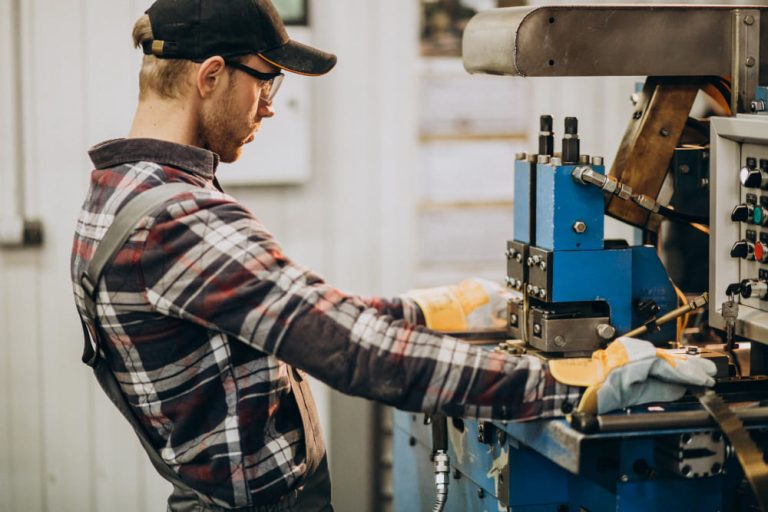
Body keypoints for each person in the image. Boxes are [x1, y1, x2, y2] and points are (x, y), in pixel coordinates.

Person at [70, 1, 717, 510]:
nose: (270, 103)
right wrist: (572, 384)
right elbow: (354, 351)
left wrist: (432, 309)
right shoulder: (180, 221)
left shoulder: (123, 194)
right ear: (211, 75)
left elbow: (297, 313)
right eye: (266, 79)